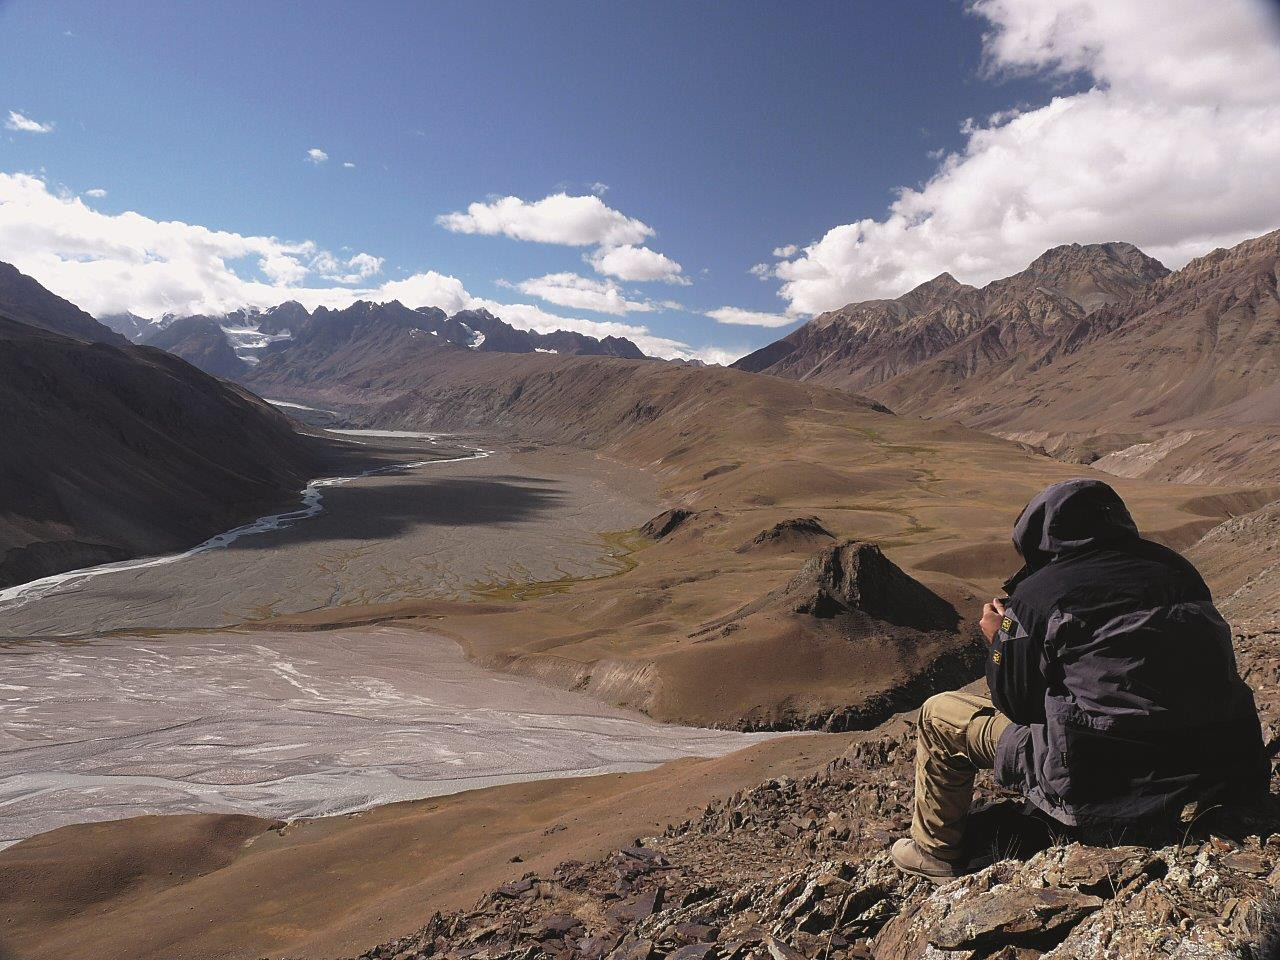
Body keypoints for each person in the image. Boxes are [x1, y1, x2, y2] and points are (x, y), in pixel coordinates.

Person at [890, 478, 1267, 882]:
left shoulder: (1038, 595)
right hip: (1216, 770)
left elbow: (1017, 705)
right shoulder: (1179, 571)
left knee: (939, 716)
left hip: (1104, 782)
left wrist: (1001, 640)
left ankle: (936, 853)